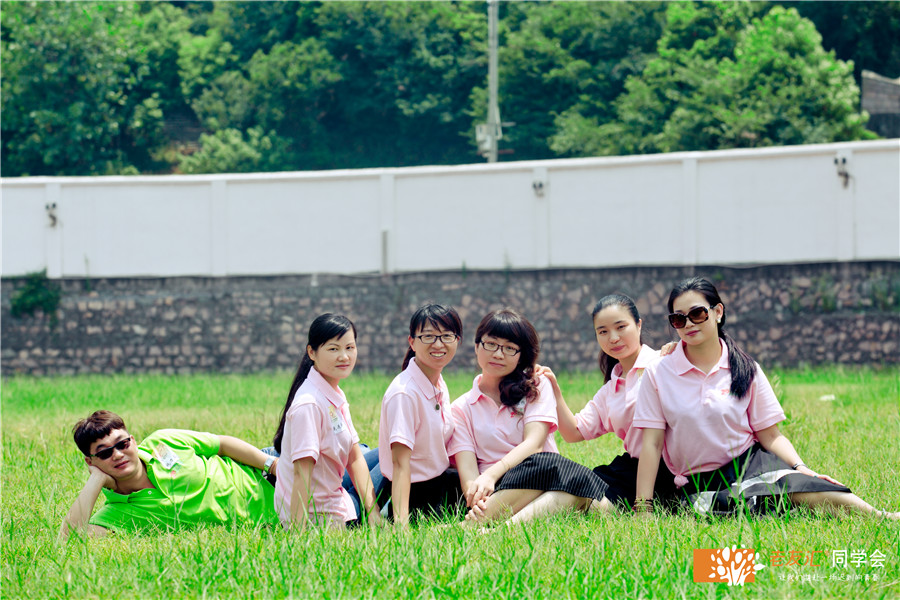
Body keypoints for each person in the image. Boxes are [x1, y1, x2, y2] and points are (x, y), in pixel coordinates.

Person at [633, 277, 900, 519]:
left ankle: (881, 516)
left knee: (806, 488)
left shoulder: (746, 368)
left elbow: (770, 435)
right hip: (699, 481)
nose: (689, 323)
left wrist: (801, 467)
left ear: (717, 312)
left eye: (697, 313)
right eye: (679, 319)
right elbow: (652, 444)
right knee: (728, 508)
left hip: (750, 464)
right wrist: (643, 507)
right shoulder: (659, 372)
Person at [450, 309, 609, 526]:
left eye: (509, 348)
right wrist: (477, 492)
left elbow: (534, 444)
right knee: (576, 486)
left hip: (544, 475)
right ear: (477, 346)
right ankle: (480, 520)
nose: (498, 354)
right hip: (497, 489)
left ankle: (479, 528)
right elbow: (468, 475)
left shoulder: (536, 385)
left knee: (558, 473)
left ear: (521, 355)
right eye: (491, 344)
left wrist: (491, 474)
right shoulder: (460, 408)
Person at [546, 294, 678, 510]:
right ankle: (502, 523)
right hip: (632, 471)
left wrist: (681, 350)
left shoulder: (665, 361)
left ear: (638, 325)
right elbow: (573, 432)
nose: (613, 338)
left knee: (585, 501)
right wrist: (554, 392)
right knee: (572, 486)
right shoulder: (611, 389)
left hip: (675, 471)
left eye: (621, 327)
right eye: (603, 332)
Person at [60, 410, 279, 539]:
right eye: (105, 453)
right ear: (91, 462)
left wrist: (272, 465)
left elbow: (221, 444)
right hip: (279, 513)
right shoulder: (118, 513)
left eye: (122, 444)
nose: (117, 454)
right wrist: (97, 479)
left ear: (133, 441)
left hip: (267, 470)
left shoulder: (163, 442)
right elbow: (69, 539)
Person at [272, 313, 384, 529]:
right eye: (333, 349)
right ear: (311, 353)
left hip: (334, 494)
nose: (344, 356)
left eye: (350, 347)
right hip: (323, 518)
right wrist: (297, 533)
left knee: (384, 453)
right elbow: (301, 473)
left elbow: (354, 457)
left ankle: (380, 512)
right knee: (396, 458)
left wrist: (374, 513)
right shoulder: (309, 405)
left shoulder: (332, 393)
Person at [378, 303, 465, 525]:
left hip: (440, 482)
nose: (438, 344)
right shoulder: (404, 394)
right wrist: (402, 525)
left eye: (446, 336)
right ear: (412, 342)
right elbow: (400, 464)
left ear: (457, 340)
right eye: (428, 336)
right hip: (416, 496)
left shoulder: (437, 381)